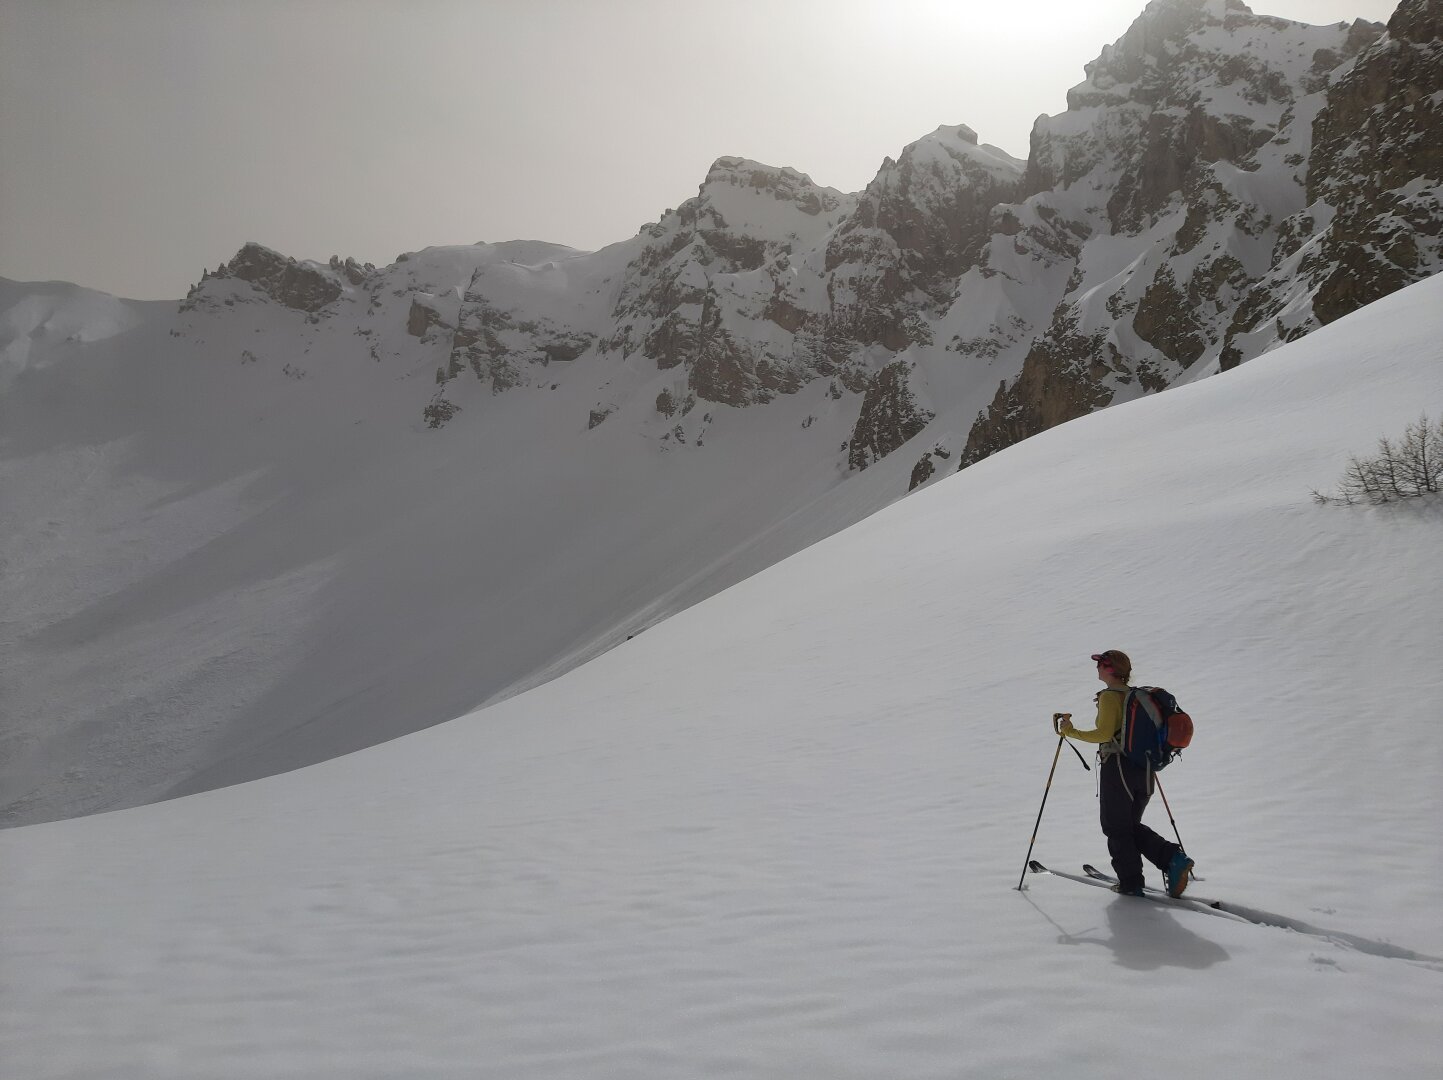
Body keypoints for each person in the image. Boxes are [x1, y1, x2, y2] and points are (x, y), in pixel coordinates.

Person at [1057, 650, 1193, 898]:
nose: (1097, 668)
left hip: (1118, 768)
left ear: (1110, 669)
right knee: (1128, 826)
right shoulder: (1135, 696)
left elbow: (1104, 734)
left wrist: (1070, 731)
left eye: (1100, 664)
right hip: (1145, 770)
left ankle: (1134, 881)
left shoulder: (1110, 697)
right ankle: (1171, 861)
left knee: (1116, 827)